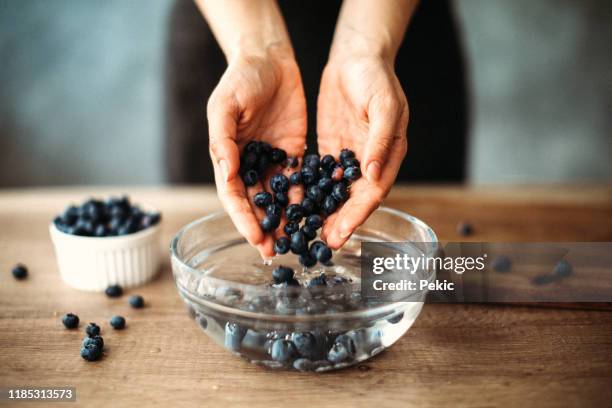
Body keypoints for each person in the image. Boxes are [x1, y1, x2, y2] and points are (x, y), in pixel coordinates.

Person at [165, 0, 468, 257]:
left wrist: (366, 46)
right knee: (224, 194)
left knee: (419, 240)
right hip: (232, 26)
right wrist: (255, 48)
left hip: (393, 28)